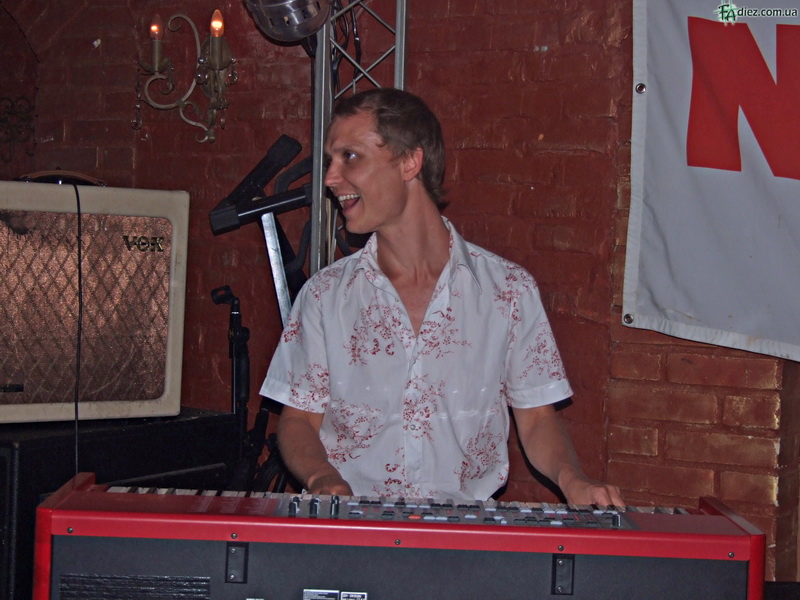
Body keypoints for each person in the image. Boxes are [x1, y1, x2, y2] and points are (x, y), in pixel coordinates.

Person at [260, 88, 622, 506]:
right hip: (356, 526)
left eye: (350, 156)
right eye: (331, 160)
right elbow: (298, 420)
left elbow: (538, 418)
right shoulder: (324, 296)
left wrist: (572, 479)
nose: (329, 178)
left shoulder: (508, 290)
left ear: (410, 162)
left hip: (466, 533)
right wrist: (322, 477)